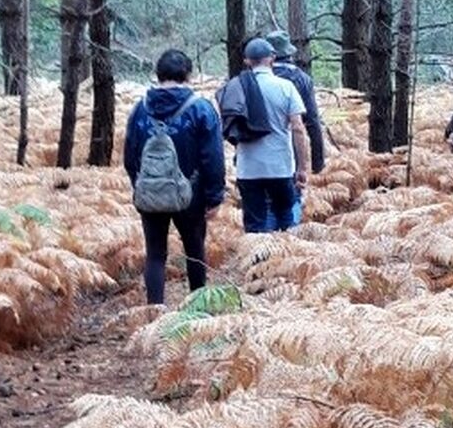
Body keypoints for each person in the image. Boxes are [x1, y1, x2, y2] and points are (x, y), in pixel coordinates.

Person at [123, 50, 226, 305]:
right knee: (194, 252)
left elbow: (129, 153)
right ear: (188, 75)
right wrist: (214, 197)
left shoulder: (140, 109)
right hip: (191, 194)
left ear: (158, 74)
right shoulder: (200, 109)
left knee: (155, 255)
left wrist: (140, 185)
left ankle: (154, 312)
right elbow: (212, 156)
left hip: (149, 193)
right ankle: (197, 312)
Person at [233, 38, 309, 233]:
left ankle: (258, 261)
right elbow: (298, 129)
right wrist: (302, 168)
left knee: (254, 224)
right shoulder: (286, 87)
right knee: (285, 218)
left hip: (247, 167)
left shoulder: (236, 88)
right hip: (280, 167)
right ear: (272, 58)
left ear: (246, 61)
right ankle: (283, 261)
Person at [265, 30, 323, 229]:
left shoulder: (253, 79)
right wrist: (316, 162)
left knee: (266, 204)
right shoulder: (302, 79)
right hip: (292, 149)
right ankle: (287, 243)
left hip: (258, 150)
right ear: (289, 53)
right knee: (291, 200)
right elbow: (312, 121)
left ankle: (265, 246)